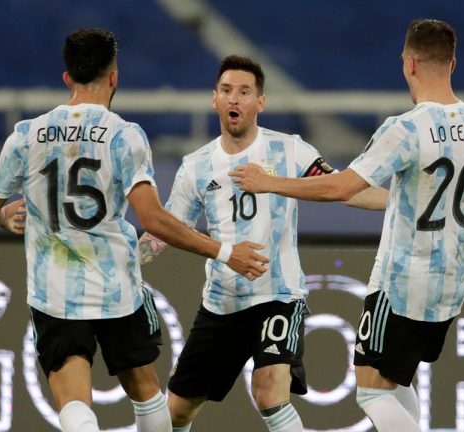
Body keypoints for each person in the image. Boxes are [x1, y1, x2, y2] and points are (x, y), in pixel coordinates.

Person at [231, 19, 464, 432]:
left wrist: (269, 182)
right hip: (451, 286)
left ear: (409, 63)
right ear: (452, 64)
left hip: (401, 285)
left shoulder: (405, 129)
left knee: (371, 390)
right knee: (397, 378)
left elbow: (343, 187)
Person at [0, 29, 269, 432]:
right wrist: (223, 251)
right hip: (116, 289)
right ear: (114, 77)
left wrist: (4, 218)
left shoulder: (27, 135)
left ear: (67, 78)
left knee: (74, 403)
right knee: (147, 394)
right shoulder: (124, 135)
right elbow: (152, 219)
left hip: (54, 292)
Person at [139, 55, 388, 432]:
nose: (234, 99)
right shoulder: (196, 166)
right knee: (176, 413)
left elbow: (346, 190)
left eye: (244, 91)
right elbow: (168, 230)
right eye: (226, 91)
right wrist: (130, 257)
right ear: (214, 100)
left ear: (261, 102)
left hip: (278, 295)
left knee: (269, 391)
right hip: (221, 304)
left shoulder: (289, 150)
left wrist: (401, 204)